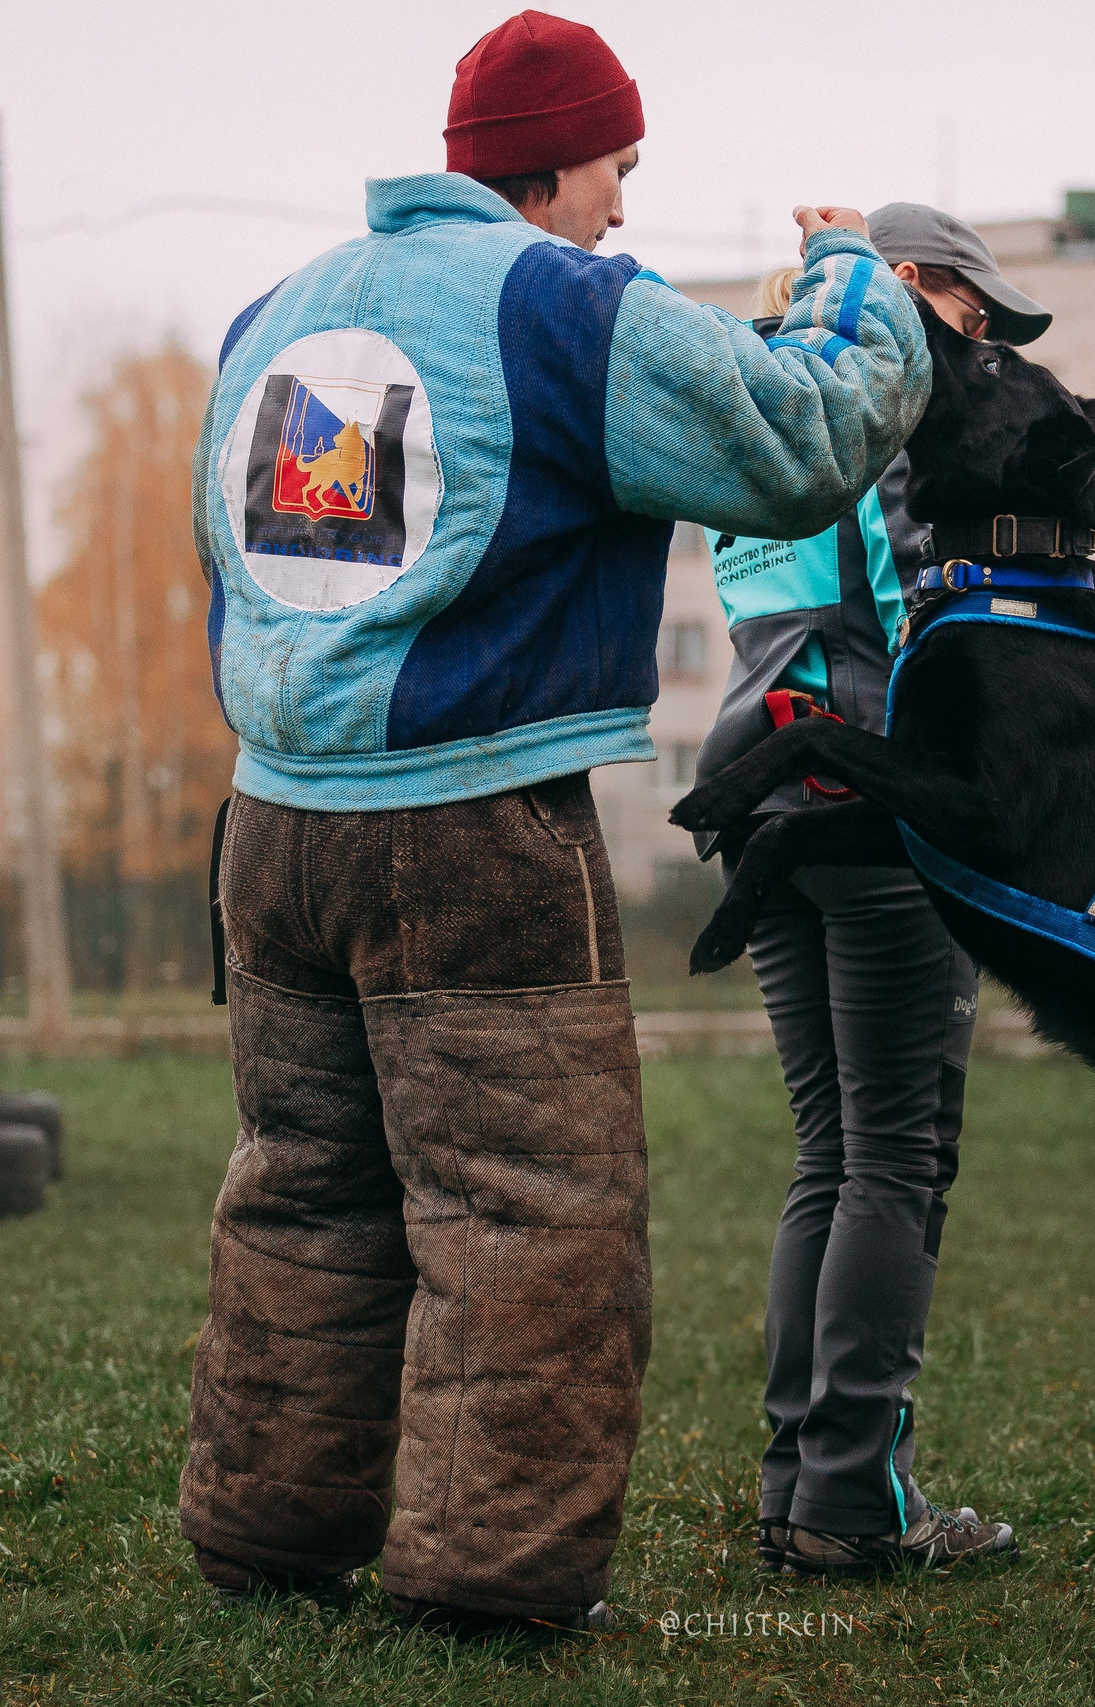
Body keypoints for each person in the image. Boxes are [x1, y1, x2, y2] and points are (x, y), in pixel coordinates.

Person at [176, 10, 930, 1634]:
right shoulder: (566, 305)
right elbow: (801, 437)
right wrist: (853, 276)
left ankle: (267, 1534)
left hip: (272, 822)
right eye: (619, 170)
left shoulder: (273, 315)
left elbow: (230, 562)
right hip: (472, 828)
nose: (623, 209)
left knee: (304, 1189)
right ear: (564, 163)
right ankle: (487, 1584)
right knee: (528, 1213)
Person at [691, 204, 1056, 1580]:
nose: (983, 343)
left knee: (832, 1152)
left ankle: (801, 1483)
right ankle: (852, 1503)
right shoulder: (878, 403)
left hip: (760, 781)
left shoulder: (760, 394)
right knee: (895, 1153)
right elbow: (921, 616)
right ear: (904, 286)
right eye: (972, 311)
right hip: (870, 788)